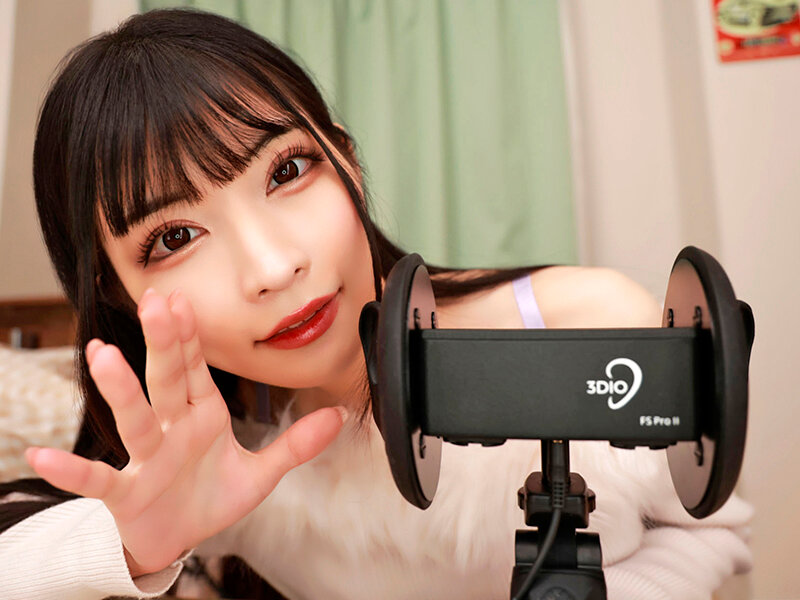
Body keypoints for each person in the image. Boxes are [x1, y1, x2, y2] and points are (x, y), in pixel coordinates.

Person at [0, 8, 752, 600]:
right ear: (117, 291)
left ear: (347, 165)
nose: (274, 267)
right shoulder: (201, 449)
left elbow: (711, 527)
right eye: (174, 238)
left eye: (286, 171)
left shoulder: (575, 319)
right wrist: (130, 549)